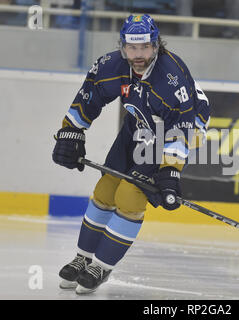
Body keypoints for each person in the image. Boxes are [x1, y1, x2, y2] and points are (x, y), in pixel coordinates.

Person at [52, 14, 210, 294]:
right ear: (123, 46)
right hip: (137, 125)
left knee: (130, 196)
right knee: (105, 189)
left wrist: (170, 170)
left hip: (173, 131)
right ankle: (82, 259)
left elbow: (183, 126)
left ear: (156, 45)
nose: (138, 55)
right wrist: (71, 131)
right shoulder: (112, 65)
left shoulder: (170, 77)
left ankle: (101, 266)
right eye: (132, 48)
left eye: (145, 48)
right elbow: (90, 95)